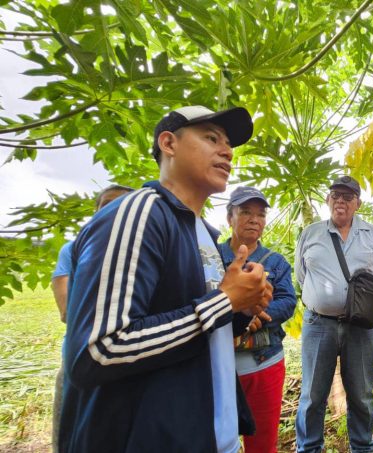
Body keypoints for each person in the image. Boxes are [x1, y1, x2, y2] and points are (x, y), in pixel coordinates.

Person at [59, 105, 273, 453]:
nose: (227, 150)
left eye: (229, 143)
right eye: (210, 137)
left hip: (210, 436)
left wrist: (241, 308)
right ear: (169, 143)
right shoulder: (139, 212)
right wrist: (223, 301)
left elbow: (197, 330)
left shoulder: (200, 231)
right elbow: (99, 350)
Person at [294, 175, 373, 453]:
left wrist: (357, 305)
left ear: (357, 203)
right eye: (336, 195)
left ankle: (362, 447)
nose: (341, 200)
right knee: (313, 396)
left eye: (348, 197)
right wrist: (327, 298)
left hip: (360, 328)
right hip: (318, 325)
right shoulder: (310, 234)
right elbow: (302, 276)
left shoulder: (372, 234)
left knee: (361, 395)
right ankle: (309, 448)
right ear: (327, 200)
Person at [50, 184, 133, 452]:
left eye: (119, 205)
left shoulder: (138, 251)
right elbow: (67, 312)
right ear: (95, 211)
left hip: (129, 361)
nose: (110, 210)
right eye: (105, 204)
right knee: (74, 437)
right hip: (81, 361)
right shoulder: (74, 249)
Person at [219, 186, 297, 453]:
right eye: (245, 212)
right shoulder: (211, 257)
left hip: (263, 362)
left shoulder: (276, 263)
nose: (254, 219)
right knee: (216, 438)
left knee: (262, 442)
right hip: (217, 366)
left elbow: (288, 301)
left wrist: (260, 316)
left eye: (260, 214)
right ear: (230, 218)